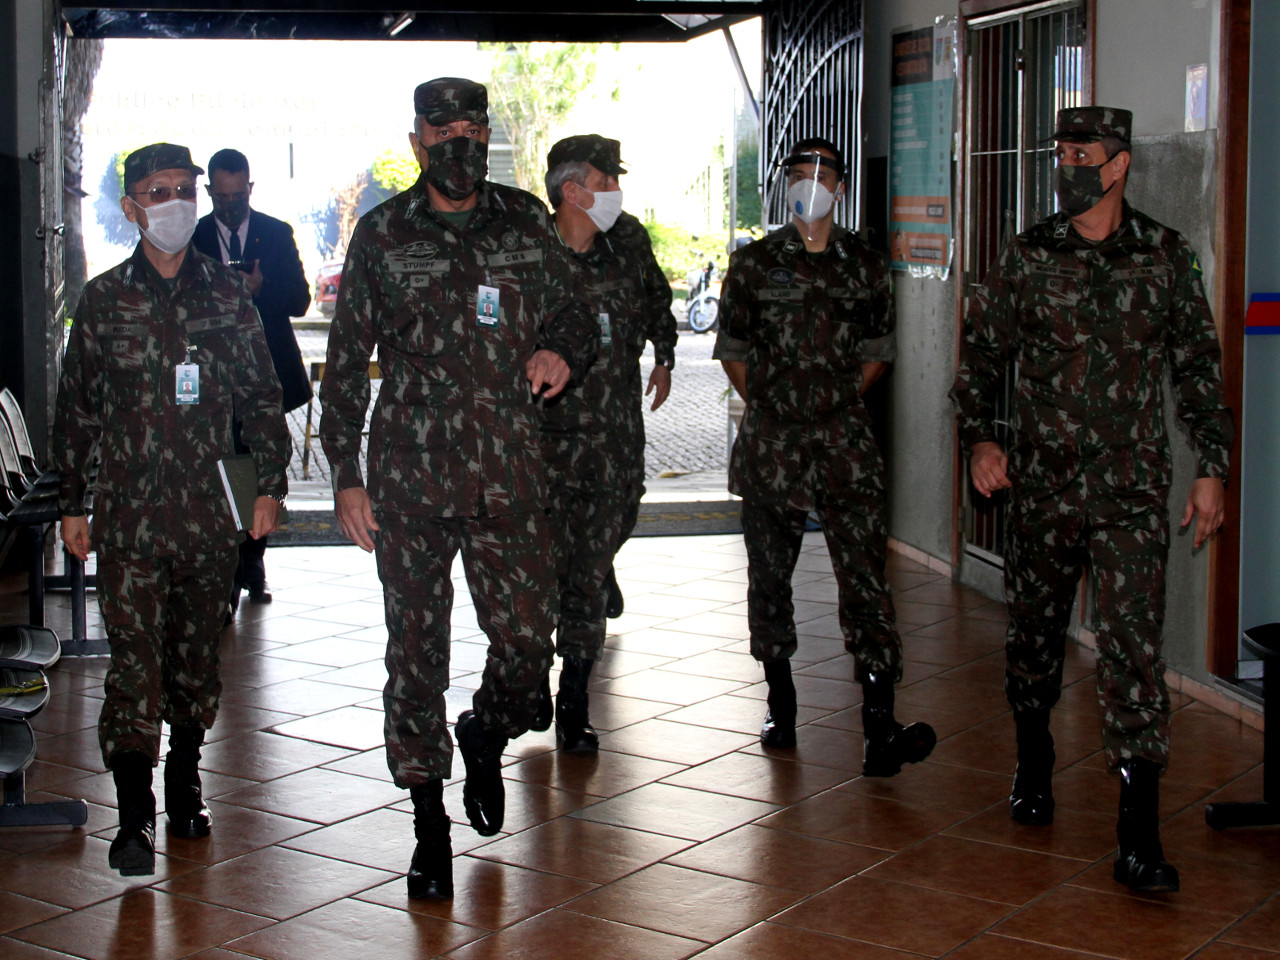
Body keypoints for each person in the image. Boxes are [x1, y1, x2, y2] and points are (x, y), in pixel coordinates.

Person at [319, 78, 597, 900]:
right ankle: (428, 821)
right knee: (415, 656)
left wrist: (561, 353)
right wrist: (345, 475)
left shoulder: (524, 223)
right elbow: (344, 366)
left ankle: (483, 731)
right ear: (417, 141)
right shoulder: (383, 234)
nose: (458, 144)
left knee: (525, 646)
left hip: (510, 474)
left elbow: (575, 316)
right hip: (411, 481)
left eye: (472, 128)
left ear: (485, 137)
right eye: (442, 131)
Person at [950, 107, 1233, 893]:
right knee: (1035, 638)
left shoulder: (1165, 258)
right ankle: (1034, 759)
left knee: (1133, 650)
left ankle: (1137, 831)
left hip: (1131, 492)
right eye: (1059, 151)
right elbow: (981, 359)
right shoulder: (1029, 254)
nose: (1066, 164)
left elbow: (1198, 370)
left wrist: (1212, 466)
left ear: (1119, 166)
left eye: (1082, 153)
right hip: (1041, 486)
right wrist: (981, 440)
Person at [53, 142, 289, 877]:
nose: (178, 202)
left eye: (186, 189)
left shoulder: (227, 294)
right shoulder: (101, 301)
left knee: (193, 665)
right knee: (134, 668)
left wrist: (270, 487)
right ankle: (133, 820)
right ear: (131, 208)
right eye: (161, 192)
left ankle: (184, 779)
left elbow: (260, 397)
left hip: (209, 518)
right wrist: (72, 502)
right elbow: (77, 410)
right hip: (128, 520)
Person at [714, 136, 935, 776]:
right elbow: (733, 350)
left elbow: (878, 352)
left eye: (823, 172)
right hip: (773, 447)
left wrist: (831, 401)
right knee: (769, 578)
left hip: (845, 445)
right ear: (787, 182)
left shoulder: (864, 265)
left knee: (865, 581)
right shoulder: (754, 264)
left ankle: (878, 724)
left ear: (841, 186)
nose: (811, 181)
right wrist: (780, 407)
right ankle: (780, 702)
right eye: (800, 171)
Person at [536, 134, 675, 751]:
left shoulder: (629, 241)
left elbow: (655, 300)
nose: (616, 190)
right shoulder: (528, 250)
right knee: (550, 576)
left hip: (615, 439)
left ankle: (575, 694)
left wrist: (666, 353)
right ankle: (554, 693)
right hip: (541, 446)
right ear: (572, 190)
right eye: (605, 179)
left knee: (597, 557)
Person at [193, 148, 312, 610]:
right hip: (211, 379)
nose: (230, 206)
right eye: (221, 198)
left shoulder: (275, 234)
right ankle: (226, 567)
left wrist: (262, 291)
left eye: (237, 196)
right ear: (209, 193)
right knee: (225, 470)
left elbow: (301, 300)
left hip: (267, 375)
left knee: (262, 468)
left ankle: (253, 560)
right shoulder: (196, 236)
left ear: (249, 189)